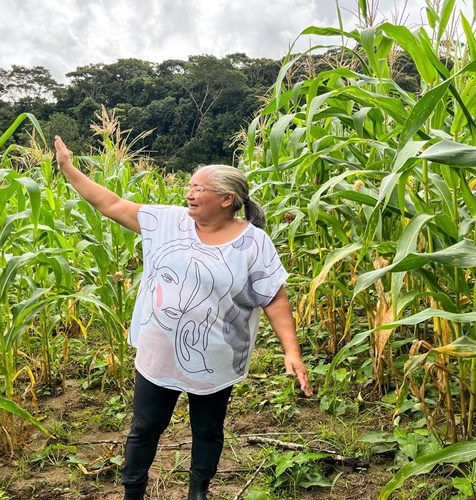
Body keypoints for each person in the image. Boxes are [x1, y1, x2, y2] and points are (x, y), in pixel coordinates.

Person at [53, 136, 312, 500]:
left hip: (216, 358)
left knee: (207, 431)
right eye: (189, 185)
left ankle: (198, 493)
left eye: (198, 188)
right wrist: (68, 168)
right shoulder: (166, 222)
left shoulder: (254, 243)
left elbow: (275, 298)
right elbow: (109, 203)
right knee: (145, 427)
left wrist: (292, 351)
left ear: (226, 200)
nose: (189, 193)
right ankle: (133, 492)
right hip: (159, 351)